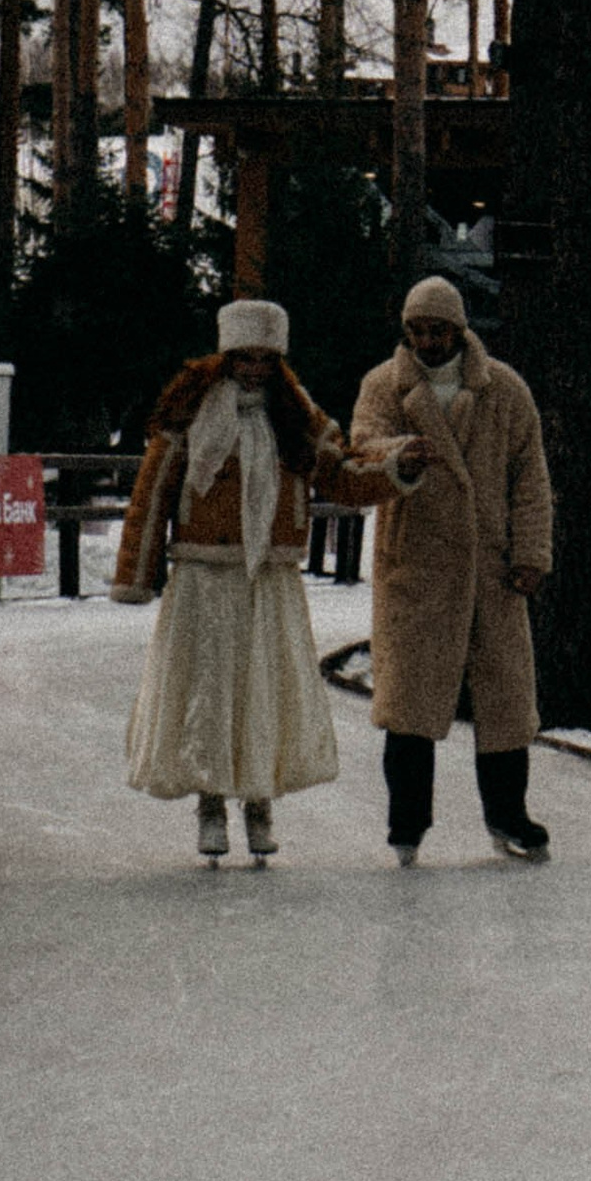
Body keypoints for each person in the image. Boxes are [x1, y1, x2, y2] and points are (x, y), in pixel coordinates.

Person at [111, 298, 419, 862]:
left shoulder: (297, 418)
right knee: (208, 690)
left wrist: (396, 468)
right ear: (227, 355)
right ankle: (209, 801)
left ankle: (257, 803)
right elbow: (153, 493)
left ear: (277, 359)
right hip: (205, 575)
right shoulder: (189, 412)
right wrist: (137, 570)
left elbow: (343, 475)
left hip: (269, 575)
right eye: (244, 357)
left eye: (264, 358)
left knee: (260, 692)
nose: (253, 368)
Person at [350, 274, 553, 865]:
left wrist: (531, 555)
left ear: (459, 329)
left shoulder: (505, 390)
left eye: (437, 330)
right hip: (416, 565)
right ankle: (407, 825)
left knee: (505, 702)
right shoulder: (384, 385)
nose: (427, 341)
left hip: (491, 568)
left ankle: (508, 814)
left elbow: (530, 478)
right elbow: (362, 448)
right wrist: (398, 459)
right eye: (417, 330)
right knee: (410, 703)